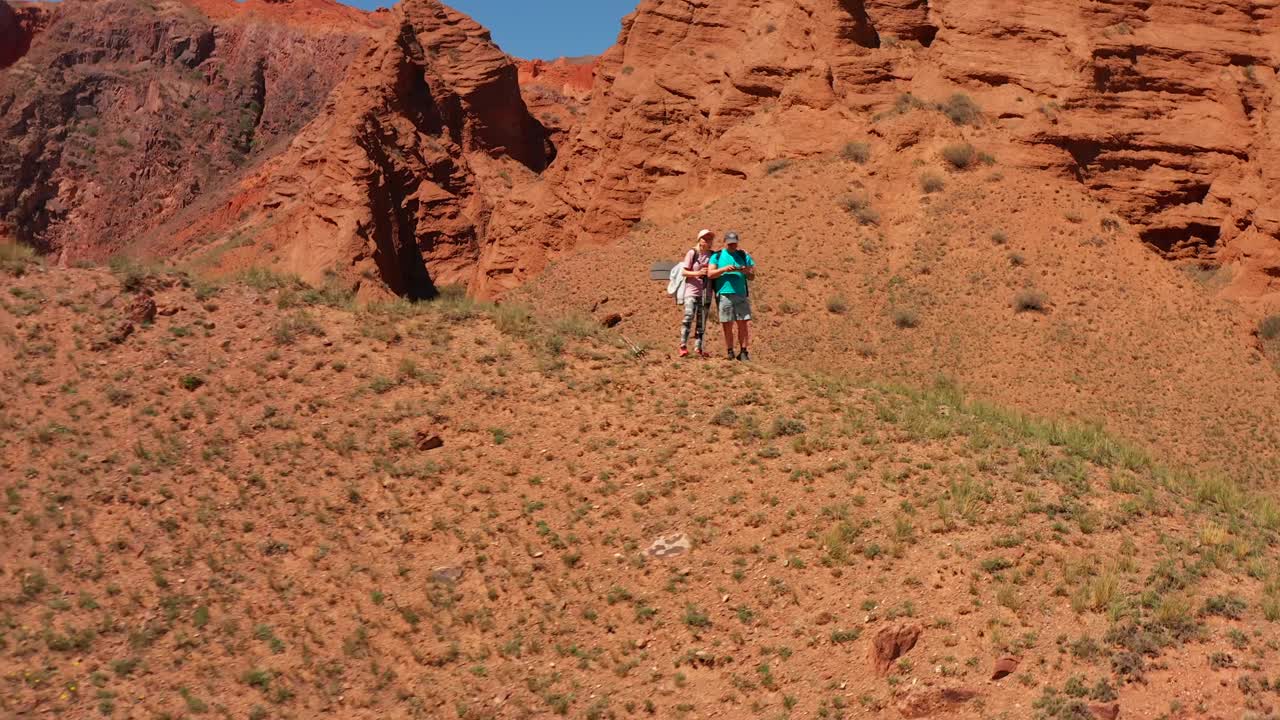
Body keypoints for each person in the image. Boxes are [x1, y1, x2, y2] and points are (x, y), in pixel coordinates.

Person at [707, 230, 755, 361]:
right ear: (725, 243)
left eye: (734, 243)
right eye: (729, 244)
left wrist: (745, 271)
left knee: (743, 323)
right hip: (724, 294)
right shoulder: (717, 256)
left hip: (740, 293)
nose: (732, 246)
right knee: (727, 323)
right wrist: (724, 269)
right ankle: (730, 351)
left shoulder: (743, 255)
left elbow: (752, 275)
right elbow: (710, 274)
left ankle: (744, 352)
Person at [679, 229, 715, 357]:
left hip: (706, 292)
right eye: (704, 238)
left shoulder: (713, 255)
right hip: (692, 291)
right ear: (699, 239)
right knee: (688, 315)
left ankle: (698, 348)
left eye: (709, 239)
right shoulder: (692, 253)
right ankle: (683, 345)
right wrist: (698, 273)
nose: (707, 241)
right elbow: (684, 272)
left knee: (702, 320)